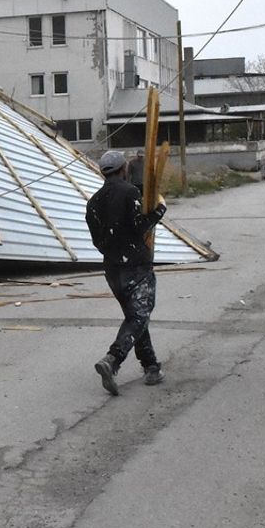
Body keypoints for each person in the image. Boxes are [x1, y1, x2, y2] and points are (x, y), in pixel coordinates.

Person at [85, 150, 166, 396]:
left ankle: (151, 366)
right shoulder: (130, 193)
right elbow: (140, 225)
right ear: (124, 170)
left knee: (135, 316)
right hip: (136, 266)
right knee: (140, 315)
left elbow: (97, 242)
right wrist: (159, 212)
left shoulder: (93, 202)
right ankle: (113, 359)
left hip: (112, 270)